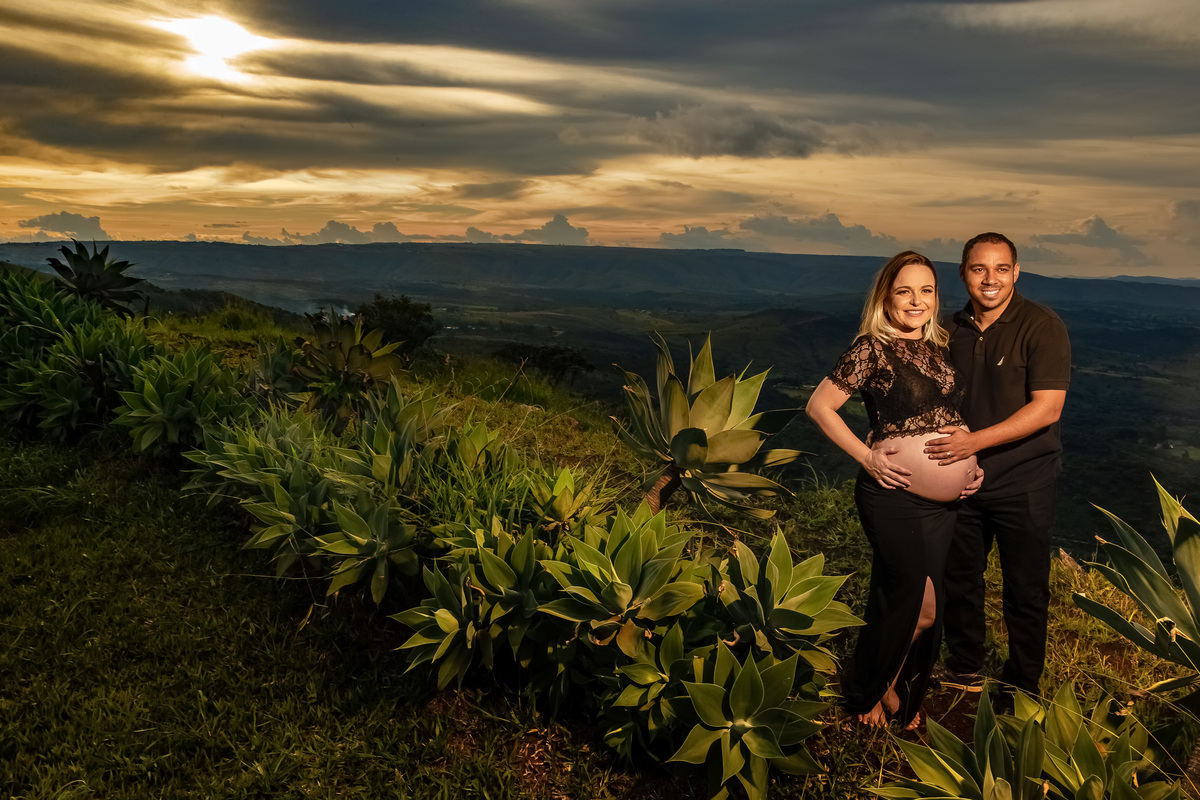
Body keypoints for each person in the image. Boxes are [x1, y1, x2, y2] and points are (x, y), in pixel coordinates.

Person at [807, 250, 981, 729]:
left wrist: (973, 461)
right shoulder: (872, 348)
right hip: (894, 497)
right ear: (886, 297)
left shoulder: (936, 349)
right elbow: (820, 406)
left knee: (922, 604)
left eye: (926, 291)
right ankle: (870, 687)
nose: (916, 301)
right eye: (905, 290)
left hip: (943, 508)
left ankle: (896, 682)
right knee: (915, 601)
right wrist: (866, 456)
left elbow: (949, 415)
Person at [923, 232, 1070, 703]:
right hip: (961, 481)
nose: (990, 279)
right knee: (960, 579)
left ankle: (1022, 684)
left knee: (1025, 589)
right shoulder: (949, 330)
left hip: (1024, 481)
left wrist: (974, 443)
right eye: (979, 269)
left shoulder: (1041, 326)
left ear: (1016, 272)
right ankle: (965, 666)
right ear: (963, 272)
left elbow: (1047, 409)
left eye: (1001, 269)